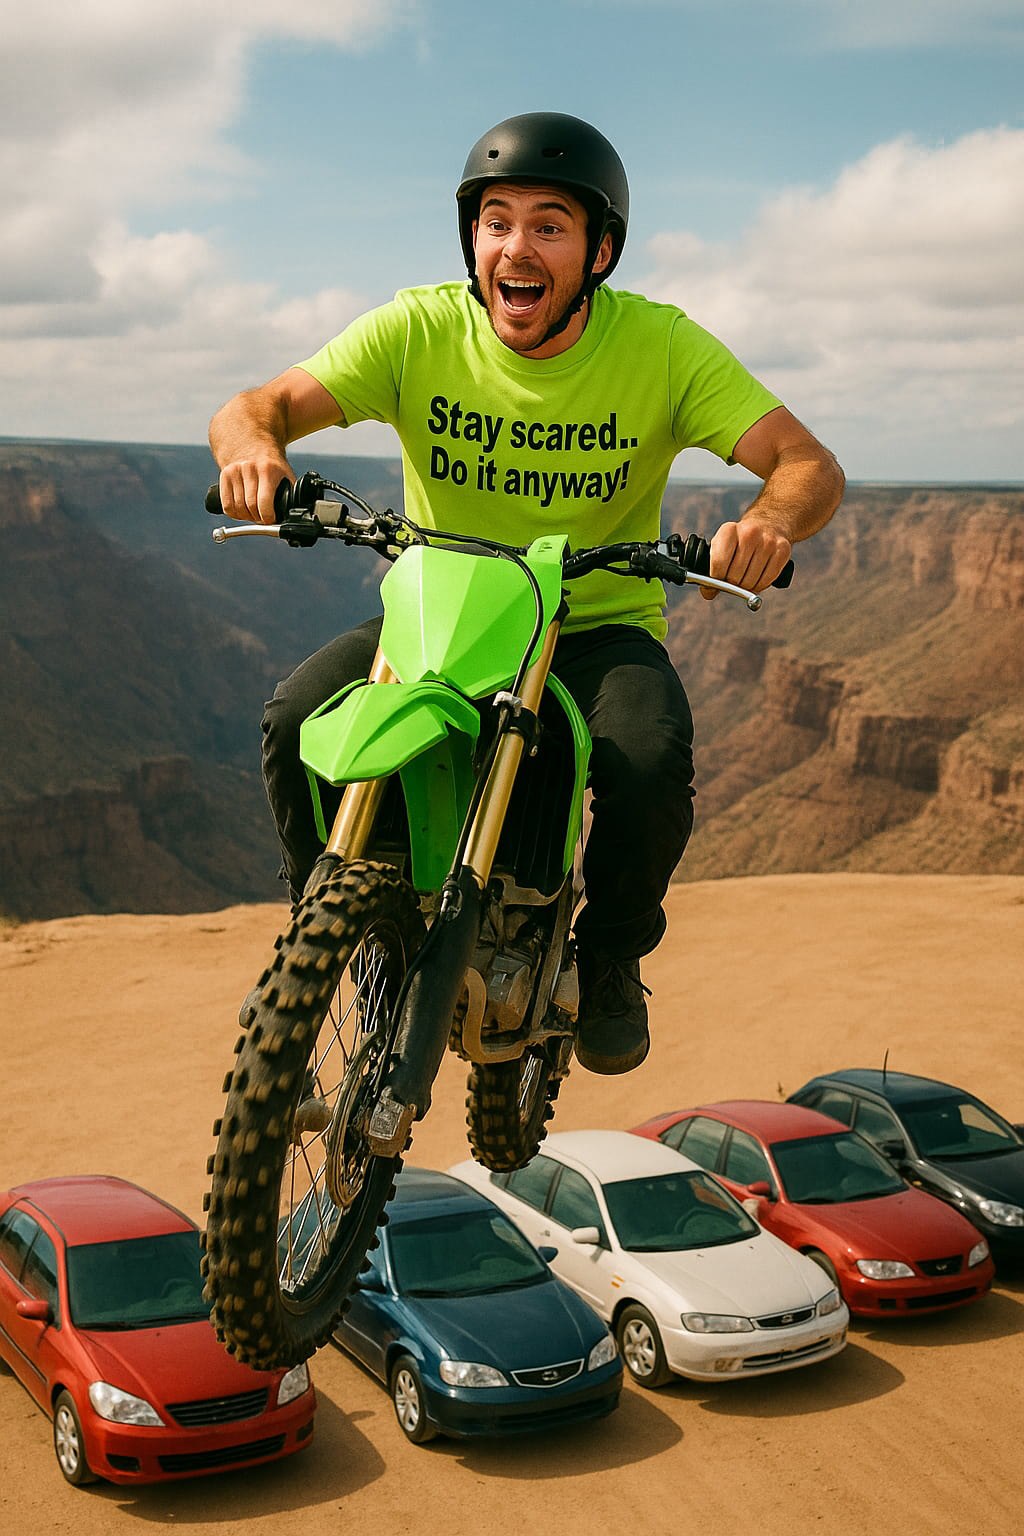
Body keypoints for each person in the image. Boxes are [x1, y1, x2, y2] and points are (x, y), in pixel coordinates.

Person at [210, 111, 844, 1077]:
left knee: (646, 763)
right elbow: (255, 407)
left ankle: (612, 956)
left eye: (550, 225)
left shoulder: (662, 348)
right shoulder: (418, 328)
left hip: (592, 623)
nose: (516, 247)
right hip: (440, 618)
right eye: (496, 221)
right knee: (296, 716)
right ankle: (332, 928)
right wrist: (255, 450)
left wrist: (769, 524)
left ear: (600, 253)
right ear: (471, 238)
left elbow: (806, 463)